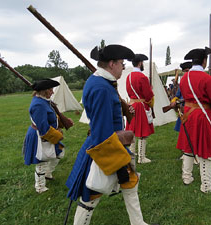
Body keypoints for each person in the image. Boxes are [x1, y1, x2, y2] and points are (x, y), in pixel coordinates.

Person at [66, 45, 157, 225]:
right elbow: (102, 130)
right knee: (91, 195)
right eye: (122, 63)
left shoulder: (101, 82)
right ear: (112, 63)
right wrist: (118, 162)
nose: (123, 67)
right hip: (105, 147)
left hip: (109, 143)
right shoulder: (102, 88)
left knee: (130, 184)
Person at [176, 47, 211, 193]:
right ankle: (205, 185)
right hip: (203, 116)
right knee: (205, 149)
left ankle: (187, 176)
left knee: (189, 147)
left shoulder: (184, 78)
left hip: (188, 115)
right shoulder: (208, 79)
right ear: (204, 61)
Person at [23, 79, 73, 193]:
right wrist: (58, 135)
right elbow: (43, 127)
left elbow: (52, 117)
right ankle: (40, 187)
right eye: (50, 90)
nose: (52, 92)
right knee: (42, 161)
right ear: (44, 91)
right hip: (41, 135)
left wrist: (62, 122)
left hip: (48, 132)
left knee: (59, 153)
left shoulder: (44, 101)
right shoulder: (38, 105)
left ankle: (47, 173)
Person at [126, 54, 155, 164]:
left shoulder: (128, 76)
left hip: (132, 104)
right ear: (140, 63)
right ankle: (141, 157)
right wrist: (150, 90)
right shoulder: (142, 77)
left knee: (132, 131)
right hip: (141, 106)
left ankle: (132, 154)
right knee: (143, 133)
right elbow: (148, 95)